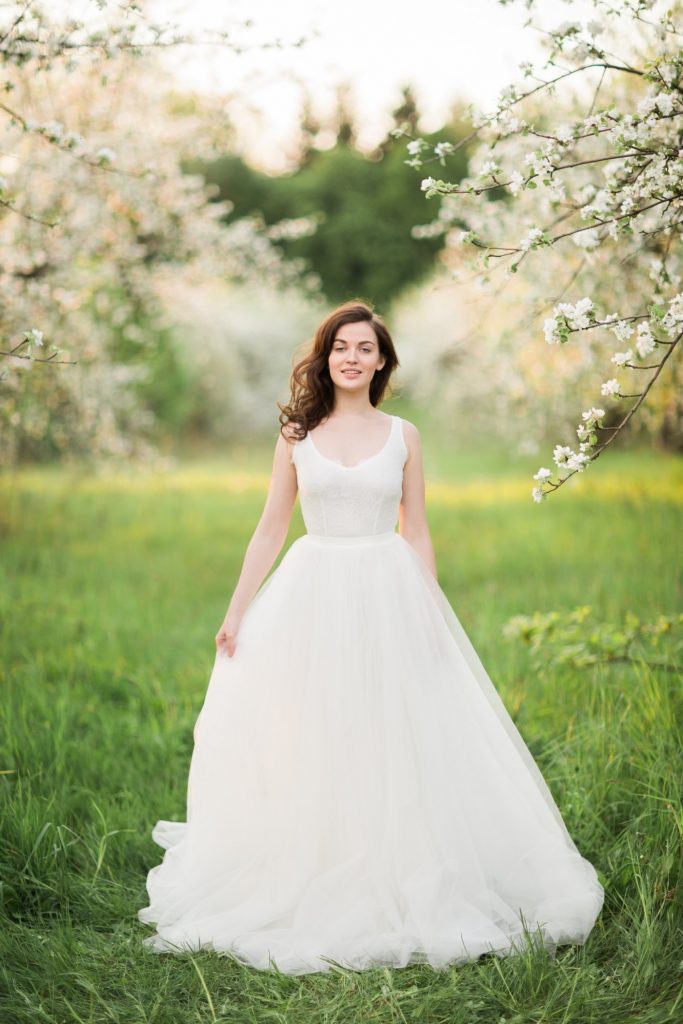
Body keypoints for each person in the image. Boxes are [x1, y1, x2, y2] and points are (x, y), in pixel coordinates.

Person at [138, 299, 604, 975]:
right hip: (314, 588)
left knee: (393, 727)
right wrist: (237, 609)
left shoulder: (403, 435)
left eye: (364, 347)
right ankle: (316, 857)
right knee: (316, 727)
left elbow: (415, 529)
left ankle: (403, 863)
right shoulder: (297, 434)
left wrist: (429, 612)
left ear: (381, 361)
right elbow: (271, 526)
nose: (351, 357)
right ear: (324, 358)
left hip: (387, 588)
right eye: (339, 347)